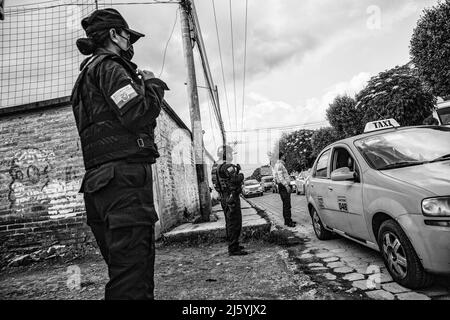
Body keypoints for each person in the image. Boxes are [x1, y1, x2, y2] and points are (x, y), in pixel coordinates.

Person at [70, 8, 169, 300]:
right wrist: (151, 87)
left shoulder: (83, 79)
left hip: (99, 186)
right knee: (132, 282)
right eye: (128, 35)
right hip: (123, 186)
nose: (131, 42)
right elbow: (136, 114)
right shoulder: (110, 67)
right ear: (114, 34)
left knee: (123, 273)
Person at [211, 145, 248, 256]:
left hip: (224, 196)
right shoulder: (226, 166)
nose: (231, 156)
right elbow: (235, 179)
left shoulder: (216, 165)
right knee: (235, 222)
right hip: (231, 196)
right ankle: (233, 248)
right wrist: (241, 174)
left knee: (229, 222)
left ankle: (234, 244)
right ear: (227, 154)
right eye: (230, 153)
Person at [273, 152, 296, 227]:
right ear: (282, 157)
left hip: (282, 186)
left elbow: (277, 177)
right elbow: (280, 177)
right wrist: (286, 186)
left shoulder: (279, 165)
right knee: (287, 204)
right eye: (284, 155)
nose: (285, 157)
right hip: (283, 186)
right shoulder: (279, 165)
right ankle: (288, 222)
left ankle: (288, 220)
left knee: (286, 204)